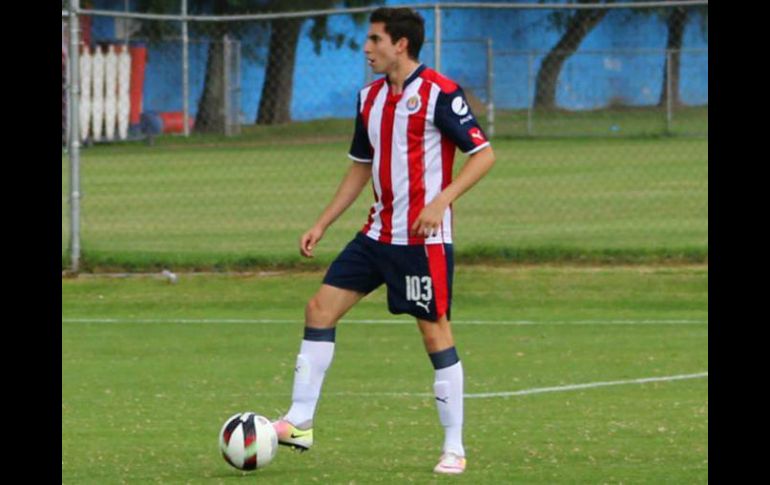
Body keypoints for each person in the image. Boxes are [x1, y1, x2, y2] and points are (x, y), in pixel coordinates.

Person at [272, 6, 495, 475]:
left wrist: (442, 201)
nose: (366, 48)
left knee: (434, 332)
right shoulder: (369, 98)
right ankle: (300, 421)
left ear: (401, 44)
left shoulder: (439, 93)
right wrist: (323, 223)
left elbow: (483, 154)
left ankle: (454, 447)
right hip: (375, 235)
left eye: (375, 40)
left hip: (421, 242)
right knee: (319, 309)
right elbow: (360, 166)